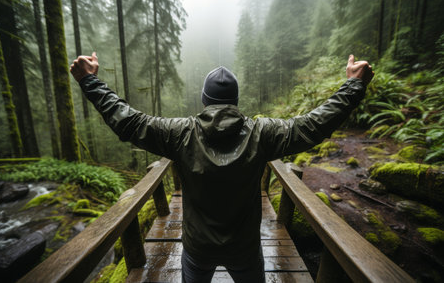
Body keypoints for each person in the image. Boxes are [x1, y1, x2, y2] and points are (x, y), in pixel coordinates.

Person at [70, 53, 373, 283]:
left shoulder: (180, 133)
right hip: (244, 247)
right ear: (236, 102)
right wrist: (353, 86)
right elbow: (313, 125)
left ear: (204, 101)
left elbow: (129, 122)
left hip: (197, 247)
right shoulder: (262, 134)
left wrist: (90, 81)